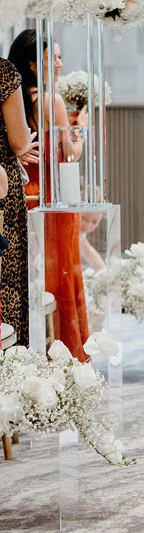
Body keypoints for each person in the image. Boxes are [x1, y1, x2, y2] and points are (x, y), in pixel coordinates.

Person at [8, 30, 90, 361]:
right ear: (32, 64)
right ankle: (66, 350)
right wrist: (78, 128)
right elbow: (69, 155)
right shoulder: (51, 100)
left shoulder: (15, 100)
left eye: (59, 57)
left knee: (31, 273)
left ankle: (31, 349)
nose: (58, 63)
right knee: (62, 272)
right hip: (53, 196)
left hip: (25, 194)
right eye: (51, 58)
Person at [0, 58, 39, 345]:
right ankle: (12, 363)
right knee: (8, 271)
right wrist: (25, 145)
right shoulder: (3, 72)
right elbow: (18, 140)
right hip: (2, 182)